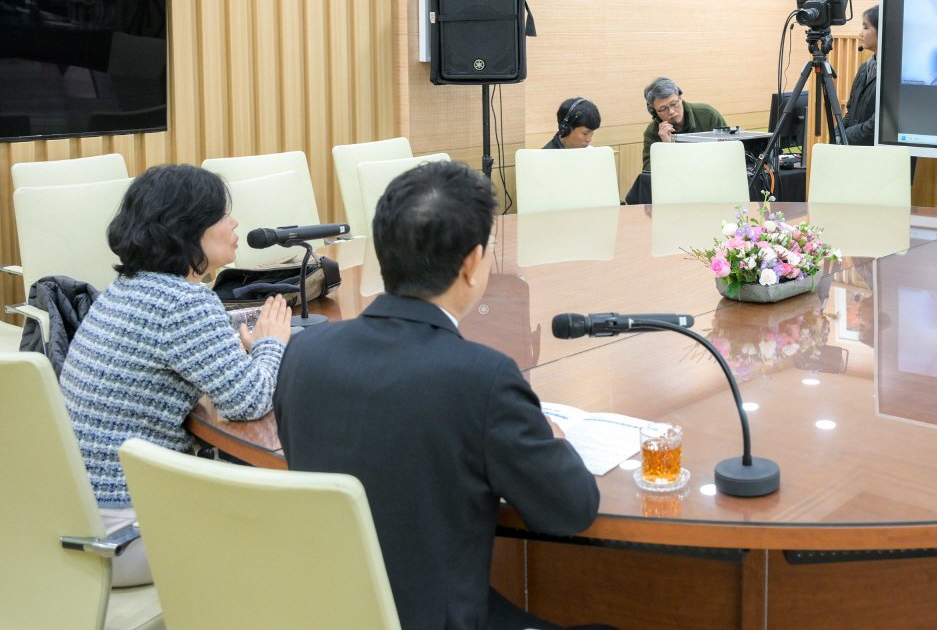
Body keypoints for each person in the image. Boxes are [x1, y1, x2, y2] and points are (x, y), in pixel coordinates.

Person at [274, 161, 607, 630]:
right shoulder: (482, 378)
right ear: (472, 263)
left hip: (333, 610)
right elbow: (571, 509)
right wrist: (549, 434)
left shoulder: (303, 352)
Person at [60, 164, 292, 588]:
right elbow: (251, 401)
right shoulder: (183, 303)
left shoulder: (128, 288)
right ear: (189, 230)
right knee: (287, 529)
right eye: (223, 215)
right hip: (125, 534)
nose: (234, 222)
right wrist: (270, 342)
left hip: (74, 517)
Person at [640, 76, 727, 169]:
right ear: (654, 111)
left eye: (674, 104)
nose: (671, 111)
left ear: (680, 98)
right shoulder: (652, 132)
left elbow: (728, 149)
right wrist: (666, 148)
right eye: (663, 108)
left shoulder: (708, 115)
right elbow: (648, 171)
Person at [841, 5, 879, 145]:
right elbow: (851, 111)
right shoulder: (864, 68)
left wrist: (845, 136)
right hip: (857, 151)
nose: (860, 33)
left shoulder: (894, 74)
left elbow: (878, 125)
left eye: (866, 27)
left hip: (882, 158)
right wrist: (838, 132)